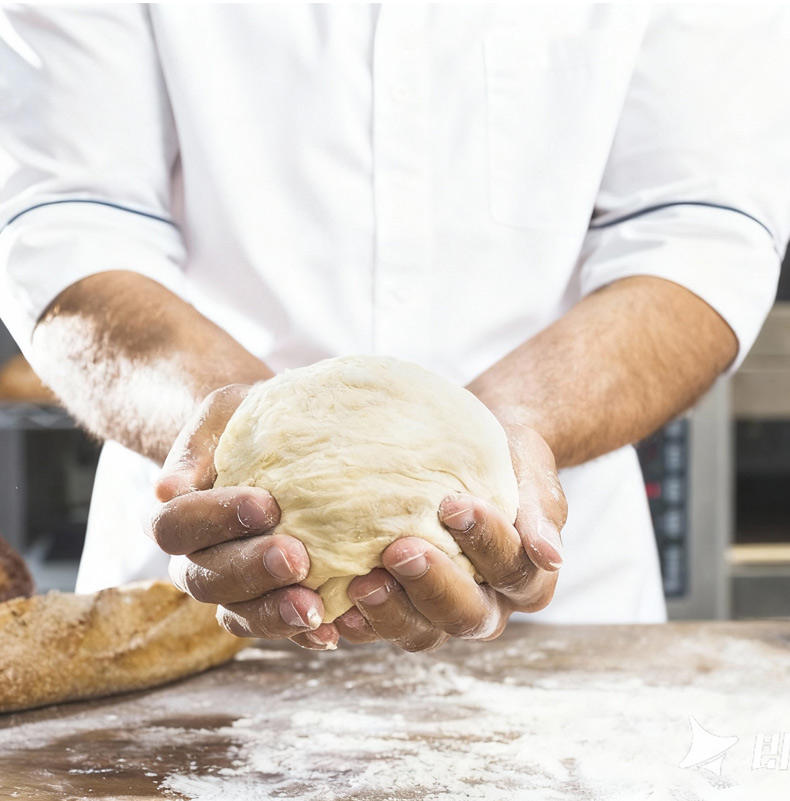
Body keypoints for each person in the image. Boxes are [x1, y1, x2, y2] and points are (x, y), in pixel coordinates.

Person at [1, 5, 788, 651]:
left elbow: (702, 229)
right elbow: (66, 219)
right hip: (199, 588)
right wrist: (229, 433)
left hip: (561, 604)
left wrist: (516, 432)